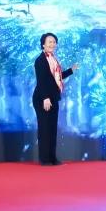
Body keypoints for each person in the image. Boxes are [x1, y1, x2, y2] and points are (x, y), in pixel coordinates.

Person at [33, 33, 78, 166]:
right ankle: (44, 159)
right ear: (43, 44)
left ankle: (52, 158)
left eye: (54, 42)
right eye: (49, 42)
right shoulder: (40, 60)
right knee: (44, 129)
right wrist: (45, 98)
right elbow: (41, 80)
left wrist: (70, 70)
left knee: (52, 129)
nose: (52, 44)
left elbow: (56, 77)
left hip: (53, 97)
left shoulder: (53, 59)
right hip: (43, 98)